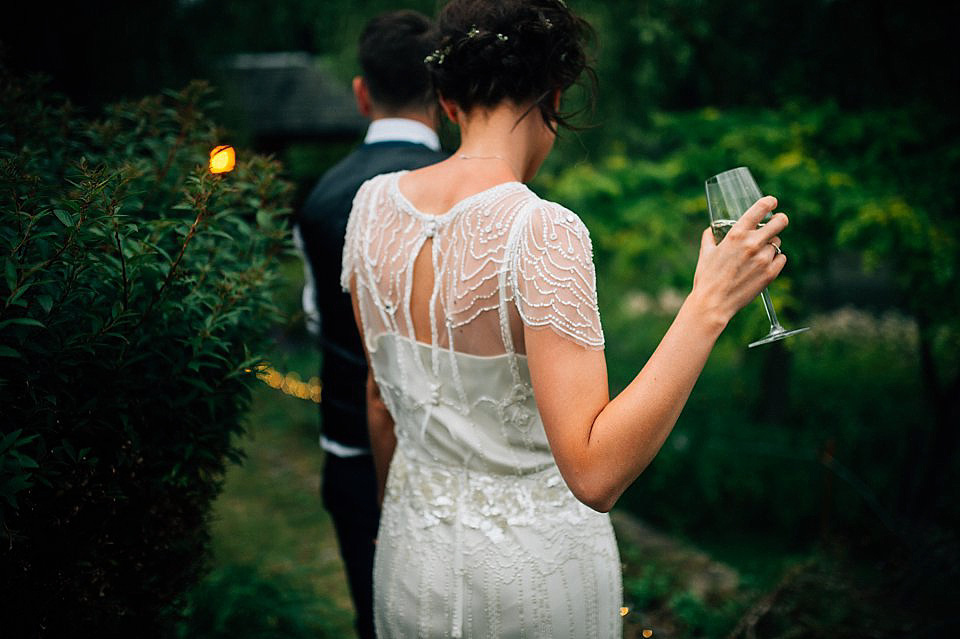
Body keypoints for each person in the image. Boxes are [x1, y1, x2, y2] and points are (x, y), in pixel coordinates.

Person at [340, 1, 790, 636]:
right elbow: (595, 473)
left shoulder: (370, 208)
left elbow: (378, 402)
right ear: (554, 95)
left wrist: (414, 521)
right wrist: (708, 304)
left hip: (411, 558)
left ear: (446, 101)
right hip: (531, 583)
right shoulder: (540, 230)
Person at [294, 10, 447, 639]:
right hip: (452, 445)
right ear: (444, 95)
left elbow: (314, 313)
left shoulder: (321, 198)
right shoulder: (474, 194)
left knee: (380, 617)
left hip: (354, 448)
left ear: (362, 92)